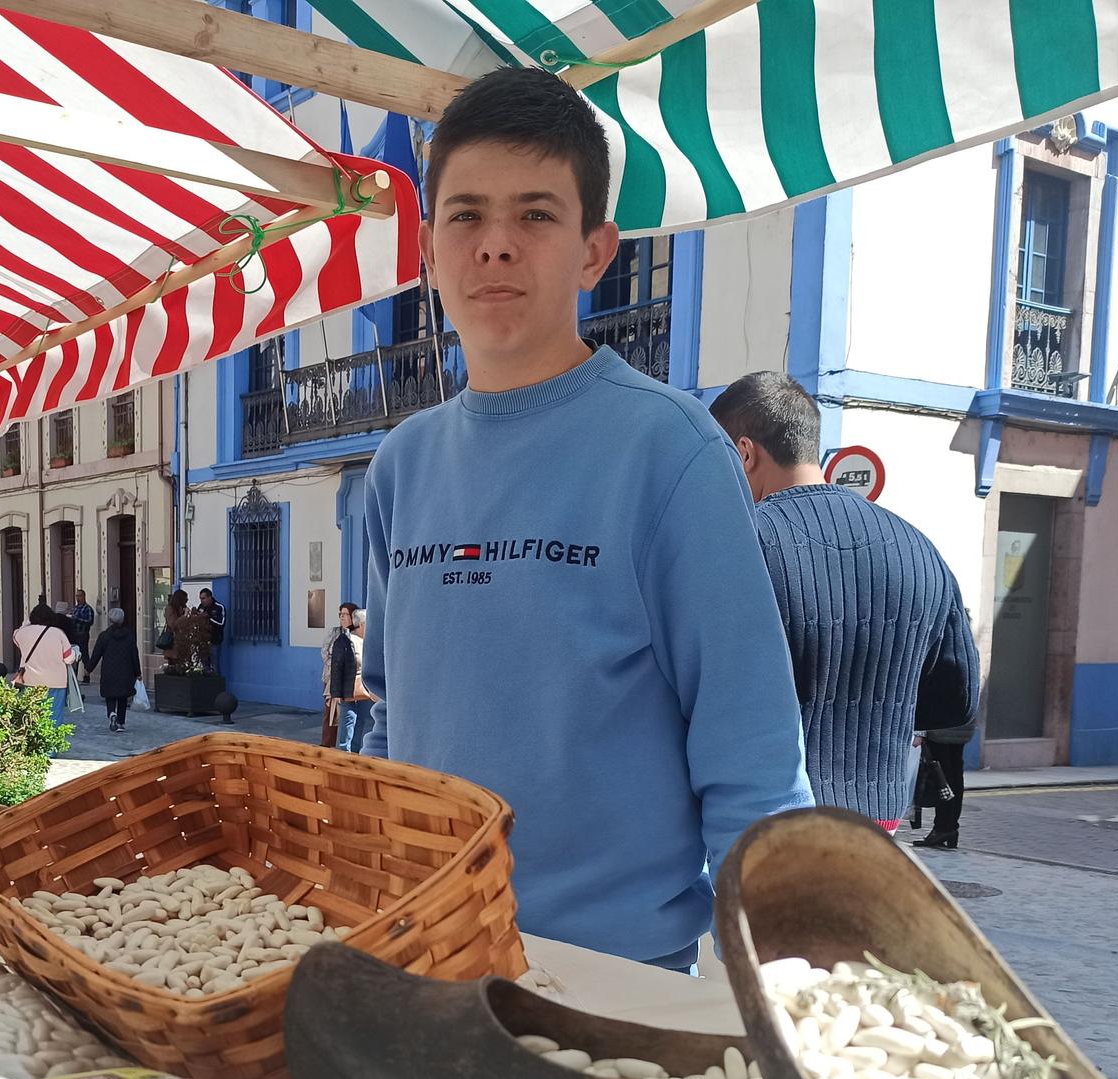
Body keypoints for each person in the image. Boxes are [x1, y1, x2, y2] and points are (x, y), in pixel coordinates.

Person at [361, 67, 810, 971]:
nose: (496, 246)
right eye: (467, 215)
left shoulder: (671, 451)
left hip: (612, 981)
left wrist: (789, 985)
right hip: (424, 962)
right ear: (426, 249)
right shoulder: (398, 466)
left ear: (595, 251)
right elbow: (388, 721)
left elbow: (751, 754)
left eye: (535, 215)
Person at [709, 372, 980, 831]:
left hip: (765, 819)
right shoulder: (918, 547)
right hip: (877, 820)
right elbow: (957, 702)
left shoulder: (741, 542)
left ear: (744, 453)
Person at [913, 630, 976, 849]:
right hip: (962, 723)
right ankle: (949, 827)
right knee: (954, 776)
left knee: (942, 777)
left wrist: (919, 730)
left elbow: (927, 690)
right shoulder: (969, 651)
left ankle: (943, 828)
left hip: (940, 723)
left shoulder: (940, 652)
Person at [10, 605, 74, 722]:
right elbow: (69, 658)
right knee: (54, 716)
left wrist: (27, 623)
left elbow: (15, 635)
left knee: (33, 716)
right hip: (56, 682)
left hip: (30, 680)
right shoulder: (58, 633)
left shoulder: (23, 633)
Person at [85, 607, 141, 731]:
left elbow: (96, 654)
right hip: (126, 671)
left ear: (110, 620)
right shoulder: (129, 636)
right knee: (122, 697)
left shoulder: (104, 636)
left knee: (110, 696)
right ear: (123, 620)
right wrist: (138, 673)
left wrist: (88, 669)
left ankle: (111, 713)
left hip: (109, 671)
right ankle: (120, 722)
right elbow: (134, 655)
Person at [329, 607, 374, 753]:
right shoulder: (345, 641)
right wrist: (336, 694)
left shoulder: (367, 642)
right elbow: (336, 668)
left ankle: (355, 753)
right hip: (348, 689)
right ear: (361, 624)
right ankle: (344, 753)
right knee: (348, 721)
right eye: (369, 623)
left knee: (361, 721)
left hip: (363, 688)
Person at [319, 602, 355, 748]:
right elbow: (324, 651)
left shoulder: (356, 634)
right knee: (330, 713)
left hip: (350, 680)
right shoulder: (334, 632)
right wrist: (334, 665)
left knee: (348, 715)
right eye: (341, 614)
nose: (343, 617)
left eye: (346, 614)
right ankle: (327, 745)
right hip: (332, 678)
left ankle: (348, 746)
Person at [196, 587, 226, 670]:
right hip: (203, 641)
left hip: (214, 641)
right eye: (200, 598)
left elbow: (221, 624)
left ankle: (216, 682)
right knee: (204, 666)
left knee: (214, 666)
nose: (202, 601)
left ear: (210, 597)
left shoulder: (219, 607)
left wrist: (208, 618)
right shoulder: (201, 607)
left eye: (203, 598)